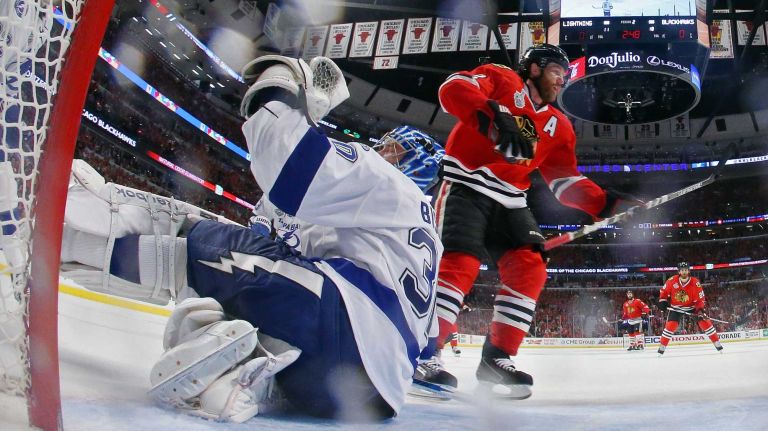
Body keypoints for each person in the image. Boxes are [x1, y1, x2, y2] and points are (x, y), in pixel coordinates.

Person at [60, 55, 442, 422]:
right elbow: (427, 341)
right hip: (368, 394)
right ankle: (247, 376)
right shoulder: (417, 233)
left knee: (198, 240)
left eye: (396, 150)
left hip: (345, 335)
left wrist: (282, 89)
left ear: (415, 165)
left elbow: (286, 159)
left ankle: (68, 240)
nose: (383, 151)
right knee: (218, 292)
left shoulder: (386, 182)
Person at [433, 43, 641, 398]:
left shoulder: (559, 126)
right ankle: (424, 351)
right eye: (556, 72)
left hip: (511, 200)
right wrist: (491, 115)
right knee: (460, 264)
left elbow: (564, 181)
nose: (562, 81)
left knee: (530, 268)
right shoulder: (501, 79)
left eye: (564, 76)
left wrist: (608, 203)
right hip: (466, 184)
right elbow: (452, 88)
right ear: (534, 69)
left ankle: (496, 359)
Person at [657, 262, 723, 355]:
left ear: (688, 271)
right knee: (670, 326)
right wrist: (662, 301)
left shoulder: (695, 282)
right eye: (682, 270)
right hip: (676, 308)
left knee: (705, 322)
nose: (684, 272)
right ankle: (662, 347)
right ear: (679, 271)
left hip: (692, 307)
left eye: (686, 270)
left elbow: (700, 299)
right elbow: (663, 292)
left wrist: (700, 310)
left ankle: (717, 343)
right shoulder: (671, 281)